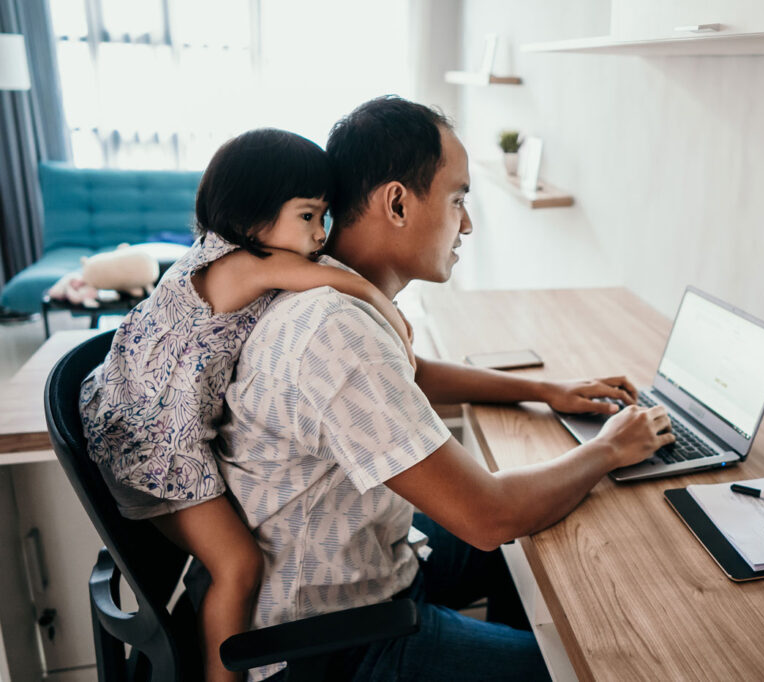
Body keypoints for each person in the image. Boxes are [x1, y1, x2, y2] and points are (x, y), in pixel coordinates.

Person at [216, 97, 675, 681]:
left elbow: (412, 374)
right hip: (330, 644)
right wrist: (609, 448)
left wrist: (546, 390)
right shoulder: (336, 331)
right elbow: (488, 515)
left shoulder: (336, 297)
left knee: (538, 550)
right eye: (459, 199)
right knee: (592, 668)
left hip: (372, 564)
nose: (468, 223)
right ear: (398, 203)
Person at [79, 128, 417, 682]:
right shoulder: (243, 265)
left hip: (140, 421)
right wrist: (388, 310)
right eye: (307, 216)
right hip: (155, 448)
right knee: (237, 565)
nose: (321, 232)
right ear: (251, 213)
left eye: (324, 216)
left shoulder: (223, 257)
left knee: (237, 557)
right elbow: (325, 278)